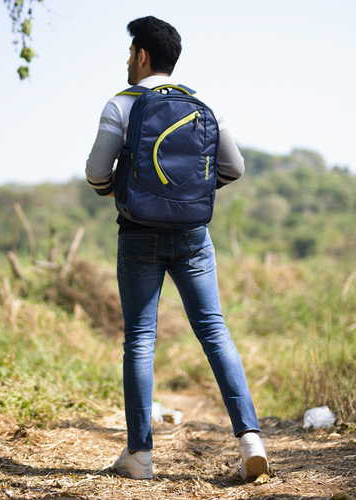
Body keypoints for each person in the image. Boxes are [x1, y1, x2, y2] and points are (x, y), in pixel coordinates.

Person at [86, 15, 268, 481]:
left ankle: (140, 456)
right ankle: (250, 439)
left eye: (130, 52)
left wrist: (122, 191)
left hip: (137, 235)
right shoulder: (202, 105)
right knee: (214, 330)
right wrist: (187, 197)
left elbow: (95, 172)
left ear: (142, 54)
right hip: (192, 235)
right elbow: (234, 168)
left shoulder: (121, 105)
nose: (127, 60)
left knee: (141, 340)